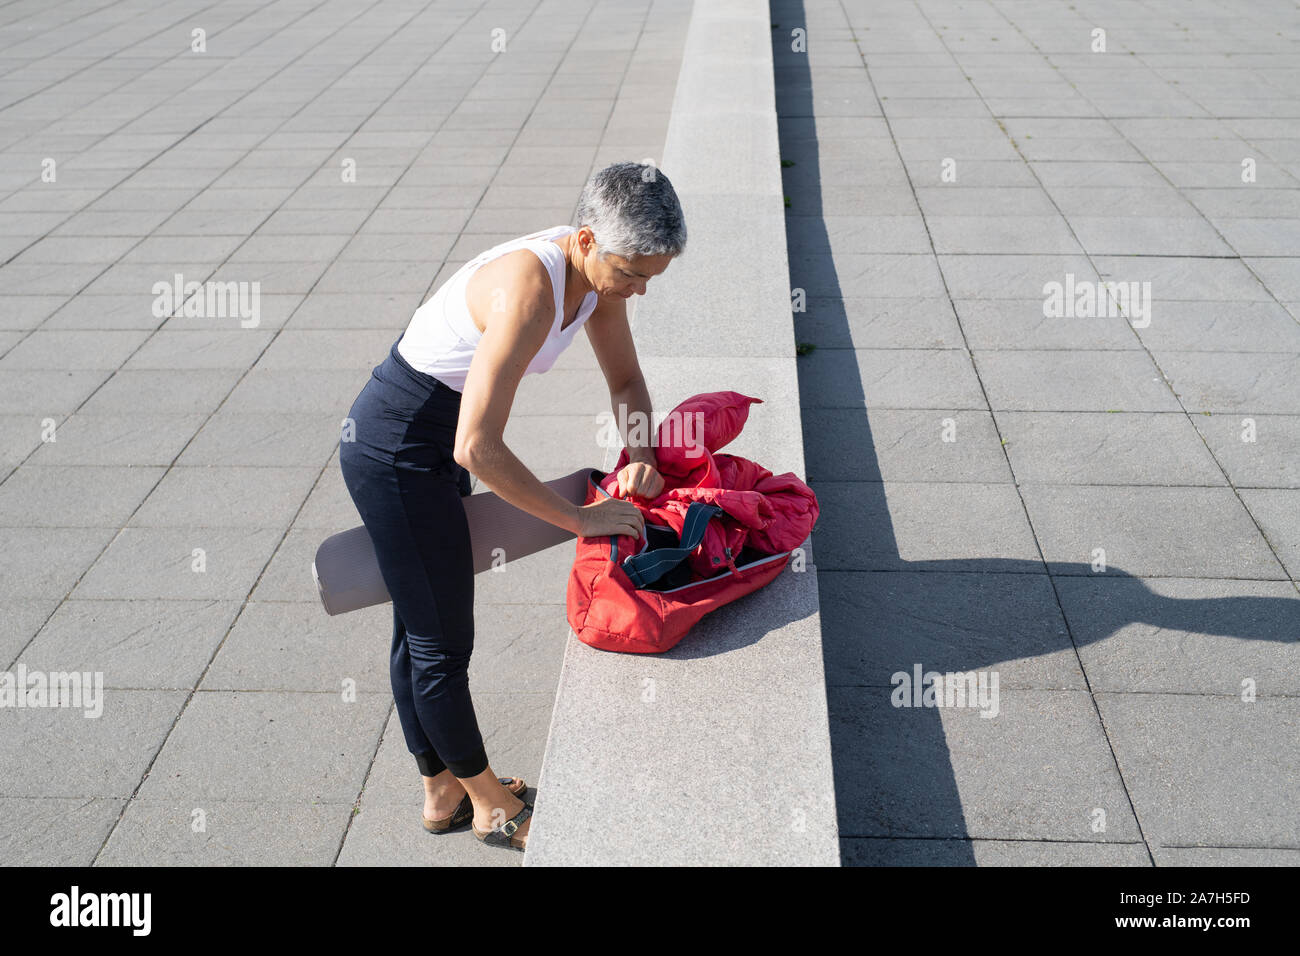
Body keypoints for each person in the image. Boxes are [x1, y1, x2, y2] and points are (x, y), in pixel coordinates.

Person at [338, 161, 687, 851]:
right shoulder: (531, 288)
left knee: (419, 625)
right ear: (587, 240)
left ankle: (442, 791)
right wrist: (580, 520)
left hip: (428, 443)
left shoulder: (596, 276)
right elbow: (478, 446)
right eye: (634, 273)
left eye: (652, 276)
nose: (640, 289)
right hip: (399, 449)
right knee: (441, 644)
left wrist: (642, 453)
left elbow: (625, 377)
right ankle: (490, 804)